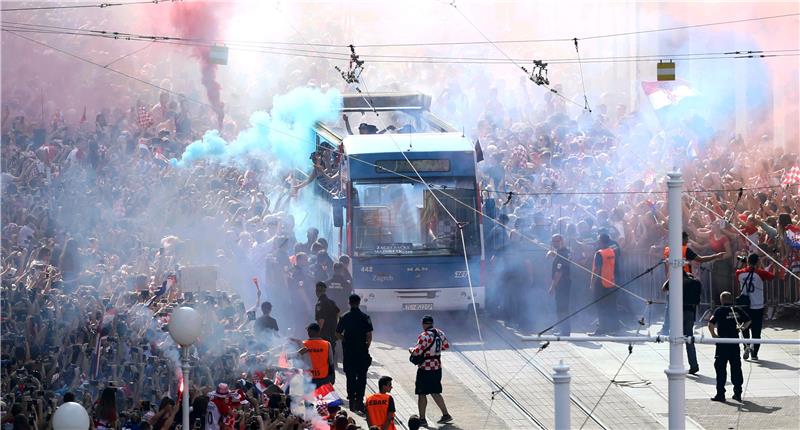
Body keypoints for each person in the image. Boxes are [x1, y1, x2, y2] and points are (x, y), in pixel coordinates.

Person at [661, 231, 726, 334]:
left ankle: (666, 328)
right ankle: (684, 328)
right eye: (686, 239)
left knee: (670, 305)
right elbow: (700, 259)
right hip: (685, 281)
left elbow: (665, 266)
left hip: (672, 279)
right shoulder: (685, 250)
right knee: (685, 305)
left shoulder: (668, 249)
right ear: (681, 239)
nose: (687, 241)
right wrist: (716, 256)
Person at [408, 315, 452, 427]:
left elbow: (417, 352)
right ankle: (446, 414)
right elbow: (446, 346)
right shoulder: (440, 333)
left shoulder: (424, 336)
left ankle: (422, 419)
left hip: (425, 368)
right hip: (437, 367)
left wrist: (411, 350)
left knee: (421, 393)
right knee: (435, 391)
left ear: (423, 324)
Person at [708, 291, 751, 402]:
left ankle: (720, 394)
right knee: (736, 367)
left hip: (723, 343)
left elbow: (710, 323)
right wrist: (742, 328)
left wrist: (714, 335)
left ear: (722, 300)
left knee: (720, 368)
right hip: (734, 343)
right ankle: (737, 393)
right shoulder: (737, 309)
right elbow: (748, 320)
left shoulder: (719, 310)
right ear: (731, 299)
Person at [336, 293, 373, 414]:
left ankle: (351, 399)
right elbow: (369, 336)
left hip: (349, 352)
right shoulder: (365, 317)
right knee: (362, 377)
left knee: (350, 376)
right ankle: (359, 401)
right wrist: (366, 346)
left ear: (349, 302)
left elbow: (337, 333)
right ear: (359, 302)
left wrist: (345, 340)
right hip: (361, 352)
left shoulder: (344, 317)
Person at [736, 253, 774, 361]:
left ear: (747, 261)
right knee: (756, 331)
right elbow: (771, 276)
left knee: (745, 328)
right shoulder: (760, 273)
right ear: (757, 261)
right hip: (757, 306)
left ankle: (746, 346)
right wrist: (760, 265)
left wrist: (743, 264)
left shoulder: (740, 273)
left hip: (745, 306)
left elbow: (737, 271)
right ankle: (754, 353)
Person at [590, 233, 620, 335]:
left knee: (600, 307)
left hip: (600, 283)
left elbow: (597, 270)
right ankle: (614, 328)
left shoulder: (600, 253)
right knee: (611, 306)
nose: (597, 241)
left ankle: (602, 329)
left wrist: (592, 283)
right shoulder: (611, 251)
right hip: (610, 281)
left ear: (601, 241)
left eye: (598, 240)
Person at [315, 281, 341, 378]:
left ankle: (325, 379)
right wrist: (334, 325)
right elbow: (338, 313)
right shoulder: (331, 302)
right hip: (332, 334)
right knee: (331, 358)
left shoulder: (319, 304)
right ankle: (331, 379)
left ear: (316, 291)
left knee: (323, 359)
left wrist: (316, 335)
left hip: (324, 336)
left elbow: (321, 321)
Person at [297, 322, 334, 388]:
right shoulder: (327, 344)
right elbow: (331, 362)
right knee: (322, 398)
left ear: (309, 332)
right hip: (323, 379)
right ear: (319, 332)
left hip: (308, 379)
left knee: (309, 397)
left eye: (308, 331)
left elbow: (298, 361)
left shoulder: (303, 344)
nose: (308, 333)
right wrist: (332, 377)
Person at [548, 234, 572, 335]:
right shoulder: (565, 252)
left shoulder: (562, 254)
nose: (554, 243)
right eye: (553, 241)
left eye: (556, 241)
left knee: (562, 307)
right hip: (566, 283)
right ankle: (561, 328)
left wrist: (552, 287)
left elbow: (559, 272)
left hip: (562, 284)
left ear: (561, 241)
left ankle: (564, 330)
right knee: (561, 306)